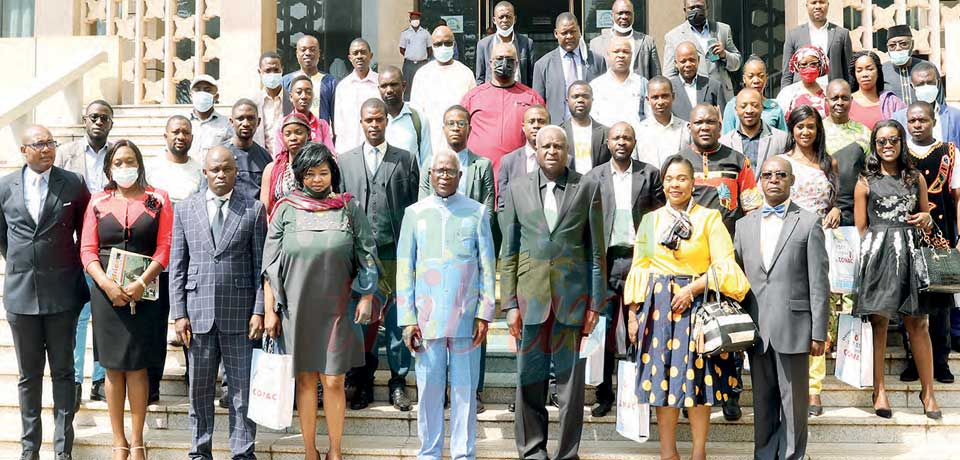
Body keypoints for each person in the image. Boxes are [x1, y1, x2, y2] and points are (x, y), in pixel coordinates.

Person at [624, 155, 750, 460]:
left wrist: (692, 288)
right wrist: (632, 314)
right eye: (669, 179)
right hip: (656, 309)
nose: (674, 184)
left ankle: (698, 452)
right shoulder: (650, 221)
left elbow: (724, 264)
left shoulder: (709, 219)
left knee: (698, 379)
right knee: (661, 378)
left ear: (693, 183)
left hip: (698, 307)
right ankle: (668, 452)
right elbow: (640, 266)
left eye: (681, 178)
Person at [262, 142, 379, 460]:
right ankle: (310, 450)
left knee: (333, 380)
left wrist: (366, 295)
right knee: (306, 380)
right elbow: (269, 264)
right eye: (310, 173)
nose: (316, 179)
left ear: (333, 173)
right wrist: (270, 309)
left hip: (339, 309)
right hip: (297, 310)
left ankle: (336, 451)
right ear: (299, 175)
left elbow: (367, 255)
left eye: (323, 172)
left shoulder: (348, 207)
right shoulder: (285, 208)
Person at [499, 125, 604, 460]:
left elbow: (596, 252)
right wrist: (510, 303)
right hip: (530, 301)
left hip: (572, 301)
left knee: (571, 389)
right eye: (546, 146)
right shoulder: (517, 188)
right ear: (536, 148)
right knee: (529, 381)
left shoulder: (586, 186)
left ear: (567, 150)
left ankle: (567, 453)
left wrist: (595, 304)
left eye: (559, 146)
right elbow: (509, 249)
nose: (552, 151)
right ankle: (532, 451)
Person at [168, 146, 266, 460]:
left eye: (227, 169)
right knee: (199, 391)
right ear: (205, 173)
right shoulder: (185, 209)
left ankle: (242, 451)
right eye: (215, 170)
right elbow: (178, 266)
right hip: (197, 315)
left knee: (240, 392)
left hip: (240, 313)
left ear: (236, 172)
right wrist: (179, 313)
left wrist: (259, 309)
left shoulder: (252, 210)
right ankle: (199, 451)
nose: (221, 175)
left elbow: (260, 266)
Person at [397, 151, 496, 460]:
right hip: (426, 318)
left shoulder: (477, 212)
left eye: (450, 171)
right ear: (430, 175)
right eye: (438, 170)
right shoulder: (414, 213)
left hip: (467, 316)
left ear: (459, 176)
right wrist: (407, 317)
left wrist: (485, 311)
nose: (443, 176)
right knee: (428, 389)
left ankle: (464, 454)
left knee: (465, 389)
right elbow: (403, 267)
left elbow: (488, 266)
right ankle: (429, 452)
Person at [1, 125, 91, 460]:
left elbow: (86, 233)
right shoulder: (5, 186)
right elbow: (5, 239)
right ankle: (29, 450)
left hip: (62, 295)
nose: (47, 149)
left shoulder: (73, 183)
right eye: (39, 144)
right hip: (21, 295)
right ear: (23, 150)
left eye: (51, 143)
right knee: (29, 377)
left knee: (64, 373)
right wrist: (26, 262)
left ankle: (62, 450)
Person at [80, 140, 172, 460]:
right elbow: (88, 250)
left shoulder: (158, 200)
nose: (124, 167)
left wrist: (141, 282)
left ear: (139, 163)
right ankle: (118, 441)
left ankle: (137, 441)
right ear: (109, 168)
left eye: (129, 161)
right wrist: (105, 283)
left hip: (144, 293)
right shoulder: (97, 201)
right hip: (107, 294)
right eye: (117, 162)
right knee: (113, 368)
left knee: (137, 368)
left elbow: (164, 247)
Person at [734, 156, 829, 460]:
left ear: (791, 181)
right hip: (756, 327)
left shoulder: (809, 222)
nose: (774, 179)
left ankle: (791, 455)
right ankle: (763, 454)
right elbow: (735, 278)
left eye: (780, 175)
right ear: (760, 181)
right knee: (762, 400)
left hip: (795, 326)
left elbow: (819, 283)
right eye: (768, 175)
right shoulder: (743, 226)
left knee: (793, 402)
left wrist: (819, 332)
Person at [854, 120, 942, 420]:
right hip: (878, 255)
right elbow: (861, 228)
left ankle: (928, 392)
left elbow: (927, 216)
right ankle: (879, 390)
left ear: (902, 142)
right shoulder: (865, 180)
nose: (887, 145)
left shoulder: (915, 177)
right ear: (874, 146)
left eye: (893, 140)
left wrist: (926, 220)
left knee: (918, 324)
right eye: (881, 141)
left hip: (911, 253)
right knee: (879, 323)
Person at [339, 98, 420, 411]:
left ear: (387, 121)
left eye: (379, 120)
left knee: (399, 318)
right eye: (368, 120)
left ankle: (398, 381)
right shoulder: (345, 162)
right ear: (360, 123)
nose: (374, 125)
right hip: (358, 256)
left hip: (394, 252)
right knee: (360, 319)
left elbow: (412, 206)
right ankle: (361, 377)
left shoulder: (405, 160)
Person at [584, 122, 664, 417]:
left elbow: (659, 216)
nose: (621, 142)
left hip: (639, 260)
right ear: (607, 142)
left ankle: (638, 391)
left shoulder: (650, 173)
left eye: (627, 138)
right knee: (603, 329)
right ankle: (604, 393)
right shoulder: (593, 177)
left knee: (639, 327)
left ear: (634, 142)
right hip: (604, 262)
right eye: (616, 137)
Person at [898, 101, 957, 384]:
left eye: (922, 119)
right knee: (909, 300)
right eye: (912, 121)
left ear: (933, 120)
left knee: (942, 301)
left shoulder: (950, 153)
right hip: (905, 236)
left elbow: (957, 198)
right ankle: (913, 360)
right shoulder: (899, 152)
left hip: (941, 236)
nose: (917, 124)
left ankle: (941, 362)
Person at [56, 101, 110, 408]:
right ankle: (75, 379)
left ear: (111, 123)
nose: (99, 121)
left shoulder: (117, 154)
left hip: (108, 245)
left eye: (104, 117)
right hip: (74, 245)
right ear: (84, 120)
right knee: (78, 316)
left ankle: (100, 380)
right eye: (94, 117)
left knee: (103, 315)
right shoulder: (66, 154)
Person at [461, 42, 544, 181]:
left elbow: (542, 137)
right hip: (479, 176)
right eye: (499, 59)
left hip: (520, 176)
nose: (504, 63)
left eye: (509, 59)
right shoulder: (472, 97)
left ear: (517, 64)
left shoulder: (532, 98)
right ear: (490, 63)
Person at [680, 104, 762, 236]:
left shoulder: (738, 160)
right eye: (698, 122)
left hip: (729, 242)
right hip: (689, 244)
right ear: (690, 127)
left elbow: (751, 208)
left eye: (710, 122)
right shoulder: (677, 162)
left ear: (719, 126)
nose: (705, 127)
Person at [410, 25, 477, 153]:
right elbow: (416, 115)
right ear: (432, 46)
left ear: (454, 44)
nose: (443, 47)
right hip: (430, 144)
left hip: (460, 146)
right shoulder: (422, 74)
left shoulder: (465, 73)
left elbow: (472, 113)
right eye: (438, 44)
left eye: (447, 43)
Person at [418, 105, 495, 216]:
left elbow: (487, 211)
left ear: (469, 129)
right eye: (451, 123)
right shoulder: (430, 163)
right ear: (444, 129)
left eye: (461, 124)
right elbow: (422, 205)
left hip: (470, 228)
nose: (456, 128)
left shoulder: (482, 165)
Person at [532, 12, 606, 124]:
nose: (569, 36)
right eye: (564, 33)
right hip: (557, 130)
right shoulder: (542, 65)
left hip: (590, 128)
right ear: (556, 34)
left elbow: (604, 97)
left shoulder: (597, 61)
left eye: (573, 31)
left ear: (579, 31)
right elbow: (538, 107)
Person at [663, 0, 741, 100]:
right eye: (691, 8)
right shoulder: (673, 36)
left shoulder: (723, 30)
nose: (696, 11)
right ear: (685, 10)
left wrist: (724, 55)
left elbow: (737, 63)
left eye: (699, 7)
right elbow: (669, 74)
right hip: (693, 96)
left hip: (722, 94)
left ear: (707, 8)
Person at [720, 88, 790, 177]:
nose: (749, 110)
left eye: (755, 105)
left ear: (762, 107)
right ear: (736, 110)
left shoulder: (781, 139)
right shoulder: (725, 143)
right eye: (743, 106)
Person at [781, 0, 853, 87]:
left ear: (828, 5)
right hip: (802, 93)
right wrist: (785, 97)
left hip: (833, 93)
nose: (818, 6)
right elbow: (787, 74)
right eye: (814, 2)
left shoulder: (842, 34)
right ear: (807, 5)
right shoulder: (794, 35)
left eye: (822, 2)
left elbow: (849, 71)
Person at [589, 36, 650, 134]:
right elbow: (592, 120)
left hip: (636, 143)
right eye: (616, 51)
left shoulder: (643, 84)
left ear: (631, 55)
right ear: (608, 55)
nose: (621, 55)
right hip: (605, 142)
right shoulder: (596, 86)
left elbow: (650, 118)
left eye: (625, 52)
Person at [588, 0, 660, 80]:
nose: (624, 16)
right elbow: (593, 78)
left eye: (628, 13)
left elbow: (657, 77)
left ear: (633, 15)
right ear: (612, 15)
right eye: (620, 13)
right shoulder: (596, 44)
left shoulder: (647, 42)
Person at [893, 62, 960, 146]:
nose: (926, 87)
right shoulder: (899, 118)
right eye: (920, 84)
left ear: (938, 83)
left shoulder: (955, 116)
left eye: (930, 83)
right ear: (912, 86)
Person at [498, 105, 550, 212]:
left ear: (549, 125)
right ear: (523, 126)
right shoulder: (508, 161)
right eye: (531, 122)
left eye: (541, 121)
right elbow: (503, 204)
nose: (536, 125)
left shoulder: (565, 160)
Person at [379, 65, 432, 165]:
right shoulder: (374, 121)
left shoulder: (418, 119)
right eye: (384, 86)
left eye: (393, 84)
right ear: (379, 89)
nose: (389, 90)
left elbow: (427, 160)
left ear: (404, 86)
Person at [334, 38, 380, 153]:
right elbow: (339, 126)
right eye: (355, 53)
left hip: (376, 150)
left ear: (371, 55)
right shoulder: (343, 87)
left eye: (363, 52)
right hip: (349, 150)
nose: (359, 56)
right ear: (350, 58)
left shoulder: (381, 83)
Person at [635, 76, 691, 169]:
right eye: (655, 97)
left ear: (673, 97)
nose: (660, 102)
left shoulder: (686, 129)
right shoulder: (638, 131)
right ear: (648, 100)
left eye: (664, 96)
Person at [261, 112, 312, 213]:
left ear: (308, 135)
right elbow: (264, 210)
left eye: (298, 132)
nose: (293, 138)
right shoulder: (271, 169)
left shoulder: (318, 166)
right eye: (288, 134)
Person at [281, 35, 338, 125]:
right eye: (303, 50)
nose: (307, 53)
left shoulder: (330, 82)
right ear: (297, 54)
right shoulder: (285, 81)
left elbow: (336, 115)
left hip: (321, 136)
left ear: (319, 53)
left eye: (312, 49)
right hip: (294, 135)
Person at [475, 1, 535, 86]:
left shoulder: (527, 43)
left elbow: (531, 76)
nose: (505, 20)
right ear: (494, 20)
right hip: (492, 96)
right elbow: (480, 77)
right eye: (501, 17)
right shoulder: (483, 45)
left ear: (514, 19)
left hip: (520, 95)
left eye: (508, 16)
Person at [722, 56, 787, 134]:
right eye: (751, 76)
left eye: (761, 76)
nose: (756, 80)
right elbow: (727, 139)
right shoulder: (732, 105)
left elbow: (784, 139)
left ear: (766, 78)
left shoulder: (775, 108)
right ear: (744, 79)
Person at [146, 115, 204, 204]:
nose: (181, 137)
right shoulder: (150, 168)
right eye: (175, 132)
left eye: (186, 132)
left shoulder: (200, 172)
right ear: (165, 136)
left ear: (192, 138)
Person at [273, 75, 335, 156]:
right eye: (299, 92)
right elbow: (278, 156)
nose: (304, 96)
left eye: (308, 92)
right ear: (291, 97)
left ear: (313, 96)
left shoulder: (322, 125)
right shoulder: (282, 124)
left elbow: (331, 154)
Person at [560, 81, 611, 175]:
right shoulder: (558, 133)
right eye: (575, 96)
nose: (580, 100)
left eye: (585, 96)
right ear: (567, 101)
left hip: (598, 187)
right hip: (569, 186)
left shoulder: (606, 133)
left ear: (592, 100)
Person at [669, 41, 726, 122]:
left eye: (692, 60)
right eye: (683, 61)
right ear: (676, 63)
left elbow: (722, 119)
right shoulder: (669, 89)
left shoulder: (714, 86)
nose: (688, 64)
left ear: (698, 60)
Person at [229, 99, 274, 202]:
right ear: (231, 121)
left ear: (258, 122)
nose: (245, 123)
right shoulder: (221, 155)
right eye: (240, 118)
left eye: (250, 118)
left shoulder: (265, 157)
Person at [848, 50, 905, 130]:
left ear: (878, 72)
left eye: (870, 69)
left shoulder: (892, 102)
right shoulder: (846, 102)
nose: (864, 74)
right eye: (859, 70)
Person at [881, 24, 934, 105]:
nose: (898, 48)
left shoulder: (928, 68)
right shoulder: (882, 70)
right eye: (892, 45)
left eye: (903, 44)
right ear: (887, 48)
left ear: (912, 44)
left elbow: (940, 102)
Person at [187, 75, 234, 163]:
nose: (202, 93)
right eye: (197, 90)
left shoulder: (226, 125)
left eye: (207, 90)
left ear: (216, 97)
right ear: (190, 96)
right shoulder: (182, 122)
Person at [776, 45, 828, 116]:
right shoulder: (787, 93)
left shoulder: (827, 92)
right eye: (804, 64)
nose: (808, 68)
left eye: (813, 64)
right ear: (797, 66)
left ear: (820, 65)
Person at [254, 51, 289, 157]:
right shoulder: (253, 104)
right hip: (261, 162)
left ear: (282, 70)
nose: (272, 74)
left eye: (276, 70)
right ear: (260, 72)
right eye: (268, 70)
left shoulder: (292, 101)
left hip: (289, 162)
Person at [398, 11, 432, 101]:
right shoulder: (405, 33)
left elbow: (429, 49)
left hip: (422, 64)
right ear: (410, 20)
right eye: (413, 19)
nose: (415, 20)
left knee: (423, 85)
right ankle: (408, 105)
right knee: (408, 86)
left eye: (416, 19)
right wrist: (411, 56)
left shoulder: (425, 33)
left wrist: (422, 57)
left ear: (420, 20)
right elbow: (402, 49)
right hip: (409, 64)